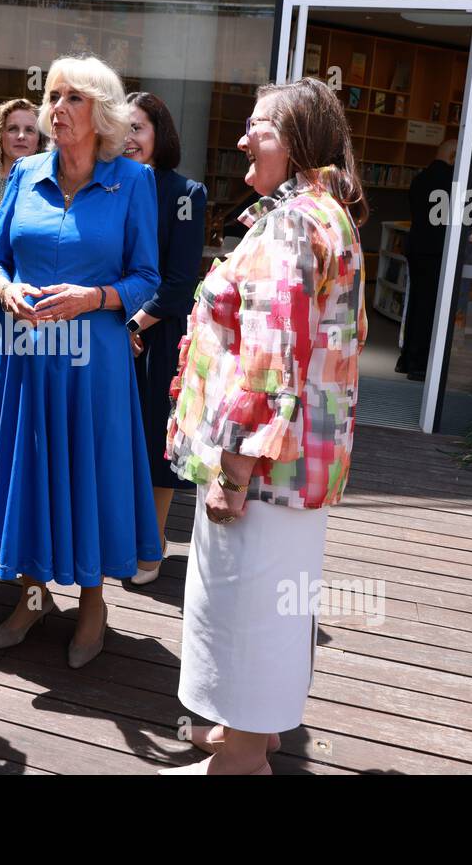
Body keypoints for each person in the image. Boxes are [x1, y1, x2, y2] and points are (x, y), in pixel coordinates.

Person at [162, 76, 367, 775]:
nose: (245, 137)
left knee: (248, 602)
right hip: (298, 462)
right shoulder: (321, 210)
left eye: (262, 128)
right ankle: (249, 733)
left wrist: (236, 470)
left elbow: (271, 353)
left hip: (265, 468)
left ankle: (242, 760)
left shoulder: (293, 222)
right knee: (274, 600)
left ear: (301, 144)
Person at [0, 54, 161, 669]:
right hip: (24, 354)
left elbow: (149, 277)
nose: (57, 108)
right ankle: (32, 596)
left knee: (88, 474)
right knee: (31, 474)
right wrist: (4, 289)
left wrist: (93, 298)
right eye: (52, 96)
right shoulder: (26, 173)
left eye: (72, 97)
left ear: (100, 112)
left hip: (92, 359)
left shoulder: (133, 182)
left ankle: (93, 604)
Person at [120, 91, 206, 587]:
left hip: (157, 332)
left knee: (156, 440)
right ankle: (123, 535)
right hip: (112, 330)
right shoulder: (108, 187)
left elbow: (178, 283)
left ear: (159, 135)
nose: (129, 137)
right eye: (123, 128)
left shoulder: (184, 193)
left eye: (139, 128)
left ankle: (152, 544)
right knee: (118, 439)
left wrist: (136, 324)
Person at [397, 139, 454, 381]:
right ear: (454, 156)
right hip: (439, 251)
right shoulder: (454, 181)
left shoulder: (420, 178)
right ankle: (421, 363)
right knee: (430, 309)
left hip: (418, 247)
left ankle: (407, 358)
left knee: (416, 305)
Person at [0, 98, 41, 207]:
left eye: (29, 130)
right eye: (13, 129)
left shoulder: (47, 185)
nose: (21, 136)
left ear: (40, 141)